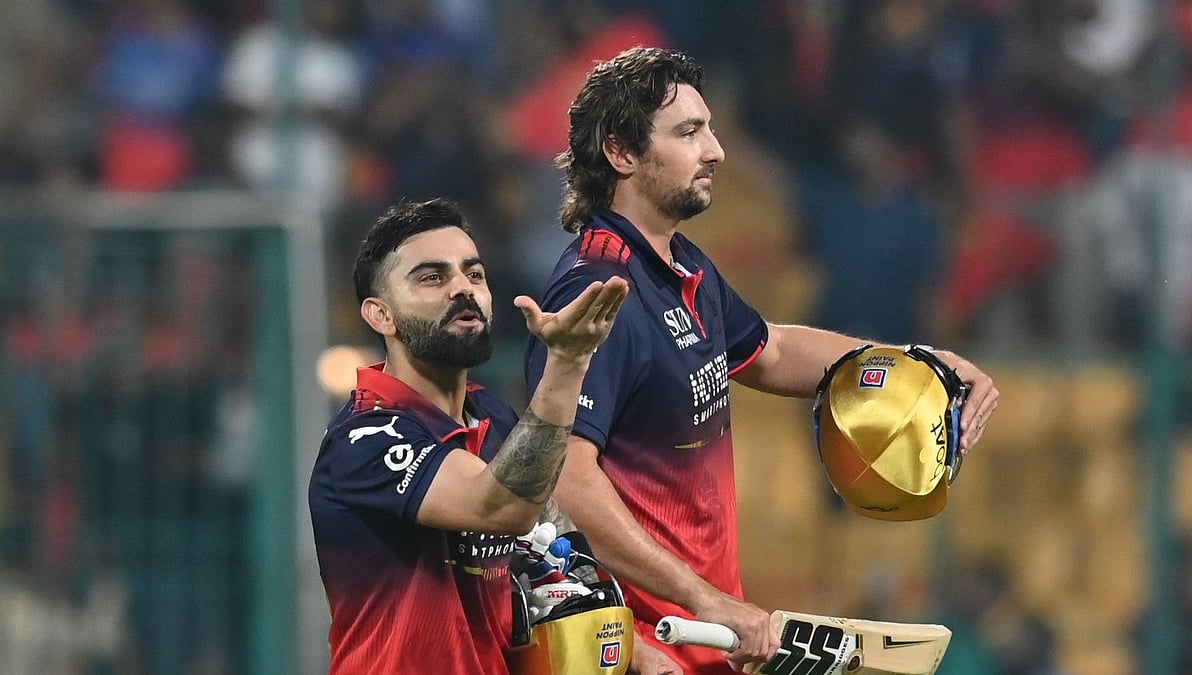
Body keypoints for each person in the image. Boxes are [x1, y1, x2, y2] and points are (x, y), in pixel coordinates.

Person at [524, 46, 1001, 674]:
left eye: (710, 129)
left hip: (706, 642)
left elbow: (769, 350)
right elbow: (566, 478)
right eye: (688, 133)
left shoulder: (682, 265)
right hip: (644, 649)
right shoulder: (600, 288)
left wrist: (920, 361)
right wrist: (703, 599)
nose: (716, 151)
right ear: (621, 152)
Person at [308, 198, 676, 674]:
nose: (463, 288)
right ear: (381, 315)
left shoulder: (492, 415)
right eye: (432, 277)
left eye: (474, 274)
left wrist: (635, 651)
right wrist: (567, 364)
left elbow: (545, 543)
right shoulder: (366, 437)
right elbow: (501, 508)